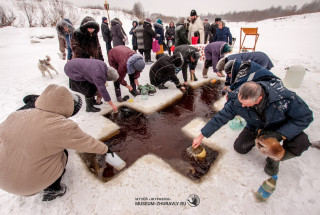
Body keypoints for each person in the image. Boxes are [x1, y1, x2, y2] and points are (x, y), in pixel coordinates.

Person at [0, 84, 112, 201]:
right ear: (66, 106)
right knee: (63, 153)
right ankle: (53, 189)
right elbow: (87, 142)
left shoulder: (17, 115)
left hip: (2, 178)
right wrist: (105, 149)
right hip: (27, 185)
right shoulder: (62, 126)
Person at [193, 81, 313, 176]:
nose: (243, 106)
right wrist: (201, 136)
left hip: (280, 126)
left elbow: (305, 117)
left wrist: (280, 134)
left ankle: (274, 158)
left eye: (246, 104)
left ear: (259, 99)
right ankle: (262, 140)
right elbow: (220, 118)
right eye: (241, 102)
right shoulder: (237, 100)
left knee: (301, 143)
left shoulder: (284, 98)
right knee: (240, 148)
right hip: (256, 126)